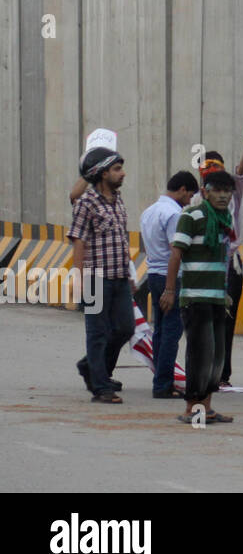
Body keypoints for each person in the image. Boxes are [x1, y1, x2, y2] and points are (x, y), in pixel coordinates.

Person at [161, 169, 240, 424]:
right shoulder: (191, 216)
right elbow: (176, 254)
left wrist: (225, 293)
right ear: (205, 192)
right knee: (199, 353)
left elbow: (224, 258)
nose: (223, 196)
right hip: (195, 298)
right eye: (217, 190)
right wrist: (170, 290)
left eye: (227, 191)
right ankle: (191, 408)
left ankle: (207, 407)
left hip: (217, 298)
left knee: (216, 356)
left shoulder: (225, 218)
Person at [69, 148, 133, 403]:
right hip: (95, 279)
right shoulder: (86, 203)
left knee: (125, 328)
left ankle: (90, 367)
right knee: (97, 333)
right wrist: (79, 278)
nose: (122, 173)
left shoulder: (118, 200)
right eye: (116, 169)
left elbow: (122, 241)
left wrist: (130, 274)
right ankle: (101, 387)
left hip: (119, 278)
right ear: (102, 172)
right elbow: (79, 241)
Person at [139, 171, 199, 399]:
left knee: (160, 331)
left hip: (153, 274)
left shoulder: (149, 211)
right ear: (182, 189)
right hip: (170, 277)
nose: (190, 200)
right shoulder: (174, 214)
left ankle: (159, 378)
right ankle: (163, 384)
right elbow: (177, 251)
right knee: (172, 331)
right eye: (190, 194)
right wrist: (172, 289)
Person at [200, 132, 243, 388]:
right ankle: (205, 372)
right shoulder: (199, 201)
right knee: (205, 321)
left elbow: (240, 172)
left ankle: (222, 373)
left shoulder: (232, 193)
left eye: (216, 168)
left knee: (226, 320)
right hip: (208, 264)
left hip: (230, 263)